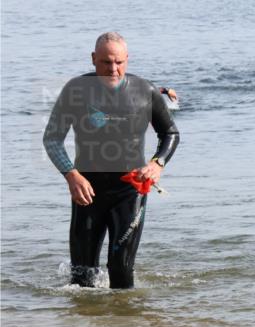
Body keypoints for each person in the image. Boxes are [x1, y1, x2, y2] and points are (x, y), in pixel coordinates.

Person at [43, 32, 179, 289]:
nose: (113, 69)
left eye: (118, 62)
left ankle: (123, 325)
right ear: (93, 59)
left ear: (127, 59)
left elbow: (170, 133)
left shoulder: (145, 91)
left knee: (120, 269)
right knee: (82, 276)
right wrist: (71, 174)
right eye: (106, 62)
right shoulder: (76, 90)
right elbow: (52, 139)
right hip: (87, 189)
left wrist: (157, 163)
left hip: (130, 189)